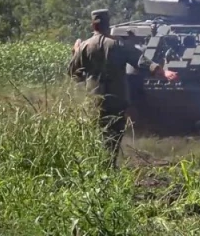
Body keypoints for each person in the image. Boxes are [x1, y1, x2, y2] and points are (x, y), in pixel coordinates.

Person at [67, 9, 179, 166]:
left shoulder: (85, 47)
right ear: (108, 24)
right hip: (116, 99)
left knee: (97, 133)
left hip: (94, 100)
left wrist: (75, 52)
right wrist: (163, 72)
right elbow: (141, 61)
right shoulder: (119, 45)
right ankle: (109, 165)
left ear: (93, 25)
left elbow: (73, 73)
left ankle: (96, 166)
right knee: (114, 135)